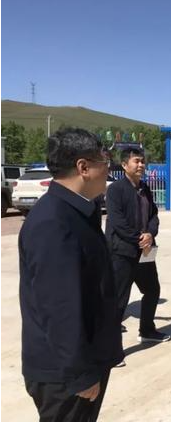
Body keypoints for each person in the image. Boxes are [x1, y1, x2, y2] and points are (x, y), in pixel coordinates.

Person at [19, 128, 123, 421]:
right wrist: (80, 374)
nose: (109, 170)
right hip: (64, 375)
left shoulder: (77, 212)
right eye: (105, 162)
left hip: (81, 360)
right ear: (83, 167)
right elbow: (59, 307)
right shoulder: (54, 222)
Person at [105, 147, 169, 355]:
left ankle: (147, 330)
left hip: (145, 251)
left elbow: (153, 215)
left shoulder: (145, 188)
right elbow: (117, 222)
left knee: (152, 290)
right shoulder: (116, 190)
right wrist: (138, 238)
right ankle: (111, 350)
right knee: (119, 300)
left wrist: (150, 234)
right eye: (136, 161)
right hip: (122, 252)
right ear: (124, 165)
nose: (141, 165)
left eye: (142, 161)